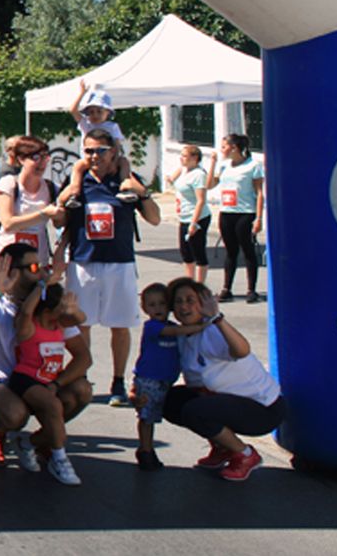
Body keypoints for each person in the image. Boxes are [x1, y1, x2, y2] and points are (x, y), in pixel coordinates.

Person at [0, 244, 93, 473]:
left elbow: (83, 357)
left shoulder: (49, 305)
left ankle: (39, 441)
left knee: (81, 390)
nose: (43, 273)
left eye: (43, 266)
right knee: (15, 415)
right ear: (12, 272)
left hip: (37, 381)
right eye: (34, 267)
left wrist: (56, 384)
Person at [59, 128, 161, 406]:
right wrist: (67, 194)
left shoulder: (125, 179)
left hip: (120, 262)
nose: (94, 156)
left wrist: (141, 192)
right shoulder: (78, 180)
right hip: (83, 262)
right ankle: (83, 376)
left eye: (100, 151)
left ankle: (118, 380)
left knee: (120, 324)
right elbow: (59, 220)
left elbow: (154, 218)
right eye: (89, 150)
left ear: (113, 151)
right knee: (83, 324)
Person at [163, 279, 285, 481]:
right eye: (178, 301)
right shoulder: (184, 335)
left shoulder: (211, 331)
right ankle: (223, 448)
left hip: (263, 409)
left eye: (190, 300)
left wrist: (218, 318)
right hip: (224, 401)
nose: (184, 306)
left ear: (203, 303)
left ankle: (246, 455)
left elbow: (242, 350)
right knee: (170, 400)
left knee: (196, 411)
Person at [10, 281, 81, 486]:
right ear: (48, 310)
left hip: (50, 381)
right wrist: (42, 285)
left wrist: (57, 384)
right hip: (26, 379)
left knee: (77, 393)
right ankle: (59, 459)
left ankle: (29, 443)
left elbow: (81, 319)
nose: (64, 310)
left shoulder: (60, 325)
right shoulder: (29, 326)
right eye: (60, 306)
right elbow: (25, 312)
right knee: (53, 405)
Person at [131, 283, 192, 471]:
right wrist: (199, 326)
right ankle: (146, 449)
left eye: (162, 304)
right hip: (149, 379)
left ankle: (147, 449)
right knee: (147, 417)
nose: (157, 308)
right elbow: (174, 332)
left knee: (153, 415)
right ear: (144, 308)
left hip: (165, 381)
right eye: (152, 305)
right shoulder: (152, 327)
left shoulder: (173, 326)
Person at [0, 135, 64, 272]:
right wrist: (43, 213)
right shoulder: (9, 184)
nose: (41, 163)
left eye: (45, 157)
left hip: (38, 260)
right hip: (9, 260)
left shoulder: (51, 187)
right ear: (21, 159)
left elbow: (59, 223)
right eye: (35, 158)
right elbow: (8, 224)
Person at [208, 134, 265, 303]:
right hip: (227, 212)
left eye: (224, 146)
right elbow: (210, 184)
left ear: (234, 148)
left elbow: (259, 192)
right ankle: (227, 288)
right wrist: (212, 164)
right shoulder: (224, 166)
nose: (222, 149)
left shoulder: (253, 166)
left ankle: (251, 289)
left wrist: (259, 217)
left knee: (247, 250)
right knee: (230, 251)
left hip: (245, 212)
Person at [166, 145, 216, 287]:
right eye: (181, 155)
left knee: (198, 251)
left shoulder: (199, 175)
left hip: (197, 217)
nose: (181, 159)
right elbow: (171, 180)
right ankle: (189, 282)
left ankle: (199, 286)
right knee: (186, 252)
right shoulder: (183, 170)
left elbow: (201, 200)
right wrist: (171, 177)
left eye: (184, 156)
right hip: (184, 216)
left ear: (195, 158)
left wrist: (194, 223)